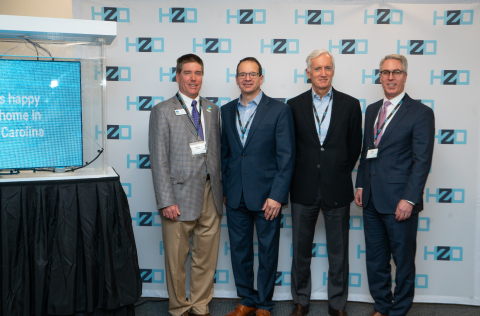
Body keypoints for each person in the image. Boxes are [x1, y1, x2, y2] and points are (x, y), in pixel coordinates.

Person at [354, 54, 435, 316]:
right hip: (371, 199)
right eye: (385, 72)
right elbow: (368, 150)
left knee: (402, 261)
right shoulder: (372, 109)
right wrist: (361, 185)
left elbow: (421, 161)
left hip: (400, 201)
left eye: (396, 72)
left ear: (405, 76)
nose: (390, 77)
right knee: (376, 260)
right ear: (379, 76)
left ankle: (399, 311)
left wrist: (409, 199)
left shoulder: (421, 113)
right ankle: (381, 307)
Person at [287, 50, 362, 316]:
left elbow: (354, 148)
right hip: (302, 188)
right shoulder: (292, 105)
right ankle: (300, 301)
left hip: (338, 187)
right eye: (317, 68)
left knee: (339, 253)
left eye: (327, 68)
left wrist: (337, 169)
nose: (322, 73)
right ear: (308, 72)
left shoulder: (351, 105)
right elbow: (290, 148)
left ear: (333, 71)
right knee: (300, 251)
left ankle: (337, 304)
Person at [148, 54, 223, 316]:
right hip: (177, 196)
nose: (193, 78)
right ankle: (179, 307)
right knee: (176, 259)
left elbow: (216, 153)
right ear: (177, 76)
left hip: (211, 194)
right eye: (188, 73)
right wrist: (166, 200)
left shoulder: (213, 110)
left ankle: (200, 304)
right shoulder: (162, 110)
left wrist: (221, 190)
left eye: (198, 73)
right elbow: (158, 159)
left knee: (206, 255)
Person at [221, 57, 295, 316]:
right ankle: (247, 300)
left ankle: (264, 303)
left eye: (253, 74)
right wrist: (223, 189)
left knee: (267, 252)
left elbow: (286, 157)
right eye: (243, 74)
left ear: (262, 78)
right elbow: (225, 154)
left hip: (267, 197)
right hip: (235, 195)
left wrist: (277, 195)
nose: (248, 78)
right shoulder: (226, 110)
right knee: (239, 251)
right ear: (237, 79)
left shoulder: (278, 110)